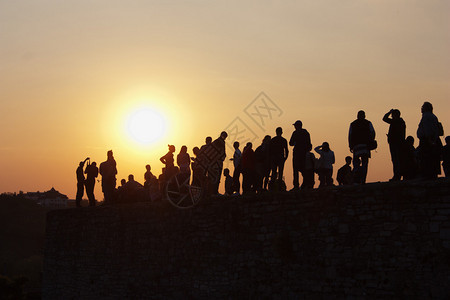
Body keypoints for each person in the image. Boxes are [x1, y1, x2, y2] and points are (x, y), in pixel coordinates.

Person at [348, 110, 376, 184]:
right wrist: (371, 141)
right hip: (365, 146)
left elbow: (350, 136)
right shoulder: (368, 123)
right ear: (364, 116)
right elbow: (373, 133)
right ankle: (363, 180)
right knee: (365, 163)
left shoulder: (353, 124)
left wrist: (350, 145)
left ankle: (356, 179)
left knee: (356, 164)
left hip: (356, 147)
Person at [417, 101, 442, 179]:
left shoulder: (426, 116)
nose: (421, 109)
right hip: (431, 139)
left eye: (422, 107)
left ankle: (428, 175)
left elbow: (427, 129)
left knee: (427, 159)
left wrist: (429, 139)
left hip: (427, 140)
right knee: (432, 159)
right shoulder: (433, 116)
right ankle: (431, 174)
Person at [382, 109, 406, 181]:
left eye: (392, 115)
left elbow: (384, 118)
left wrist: (389, 112)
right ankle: (398, 175)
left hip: (396, 143)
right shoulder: (400, 122)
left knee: (396, 160)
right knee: (397, 159)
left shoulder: (396, 121)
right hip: (397, 143)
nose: (392, 117)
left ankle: (397, 176)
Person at [289, 120, 312, 190]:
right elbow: (309, 145)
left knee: (296, 170)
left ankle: (296, 185)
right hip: (304, 154)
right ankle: (306, 183)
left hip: (297, 154)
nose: (295, 127)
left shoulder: (295, 133)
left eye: (295, 126)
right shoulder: (306, 133)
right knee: (303, 169)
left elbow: (290, 143)